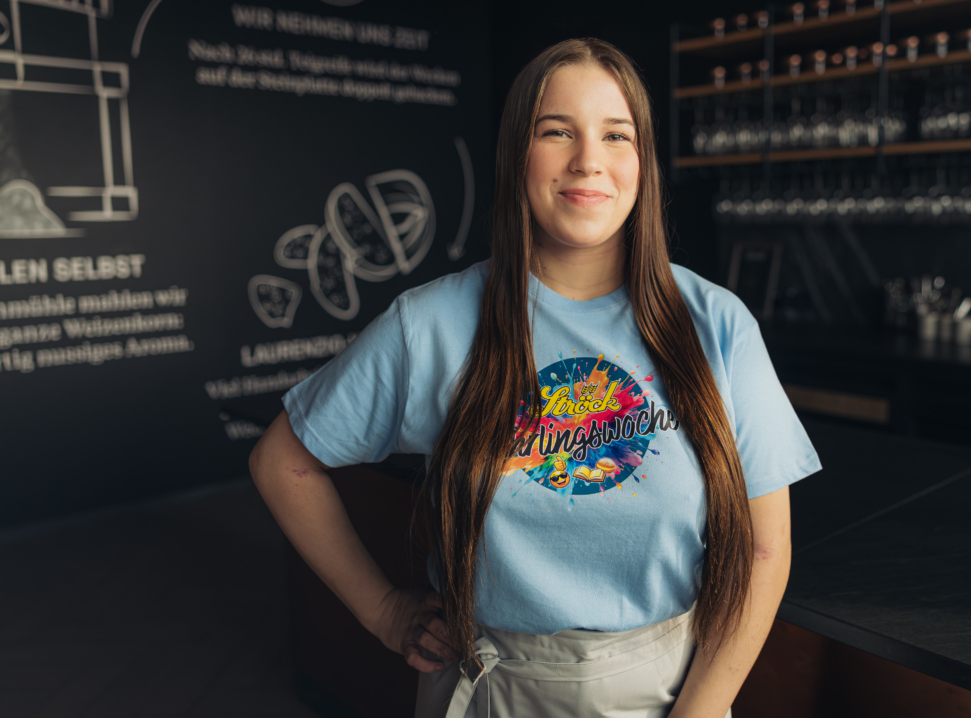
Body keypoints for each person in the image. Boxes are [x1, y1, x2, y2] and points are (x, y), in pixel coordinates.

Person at [249, 38, 820, 718]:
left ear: (644, 161)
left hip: (668, 695)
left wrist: (700, 712)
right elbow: (282, 460)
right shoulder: (431, 323)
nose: (589, 161)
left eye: (616, 134)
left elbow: (763, 550)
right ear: (518, 152)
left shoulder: (718, 325)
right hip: (490, 690)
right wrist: (383, 610)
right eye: (558, 131)